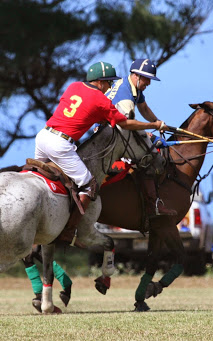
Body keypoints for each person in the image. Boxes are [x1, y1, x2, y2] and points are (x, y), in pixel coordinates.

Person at [35, 61, 169, 239]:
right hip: (61, 145)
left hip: (43, 136)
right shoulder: (102, 99)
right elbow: (124, 124)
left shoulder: (73, 86)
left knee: (39, 179)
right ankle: (68, 232)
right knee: (89, 185)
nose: (110, 86)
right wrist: (153, 125)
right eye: (108, 82)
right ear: (99, 81)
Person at [105, 58, 176, 216]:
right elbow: (127, 125)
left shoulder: (131, 85)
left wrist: (158, 122)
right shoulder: (125, 96)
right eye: (147, 79)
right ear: (136, 76)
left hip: (115, 129)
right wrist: (152, 130)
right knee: (148, 158)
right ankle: (153, 206)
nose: (149, 83)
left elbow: (143, 108)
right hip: (111, 134)